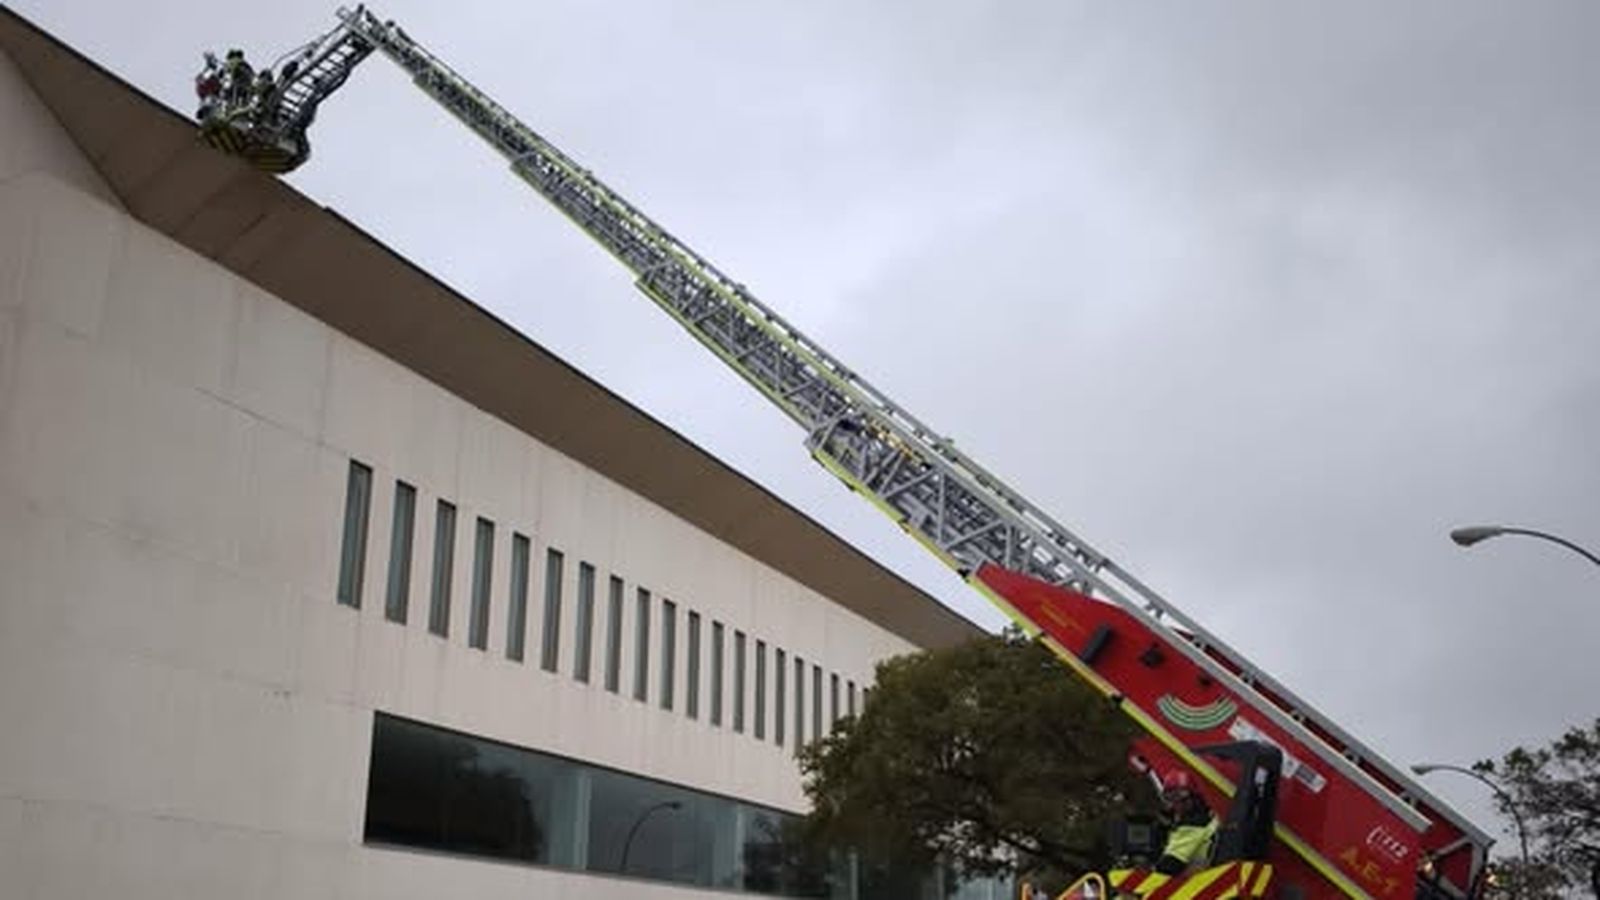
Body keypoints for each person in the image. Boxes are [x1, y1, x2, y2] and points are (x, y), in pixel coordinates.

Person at [1153, 770, 1218, 875]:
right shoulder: (1213, 819)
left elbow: (1168, 866)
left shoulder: (1194, 825)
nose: (1175, 805)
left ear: (1193, 797)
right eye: (1170, 798)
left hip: (1190, 886)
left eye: (1179, 797)